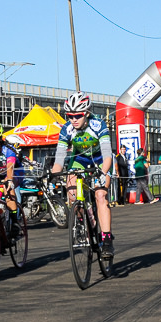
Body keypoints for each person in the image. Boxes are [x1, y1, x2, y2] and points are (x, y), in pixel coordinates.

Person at [50, 92, 116, 259]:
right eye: (69, 116)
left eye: (78, 115)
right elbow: (59, 159)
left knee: (101, 195)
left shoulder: (98, 125)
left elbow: (108, 155)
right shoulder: (66, 129)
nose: (74, 119)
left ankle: (107, 239)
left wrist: (103, 172)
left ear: (86, 112)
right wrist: (52, 175)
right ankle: (81, 220)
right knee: (72, 193)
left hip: (100, 159)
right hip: (79, 160)